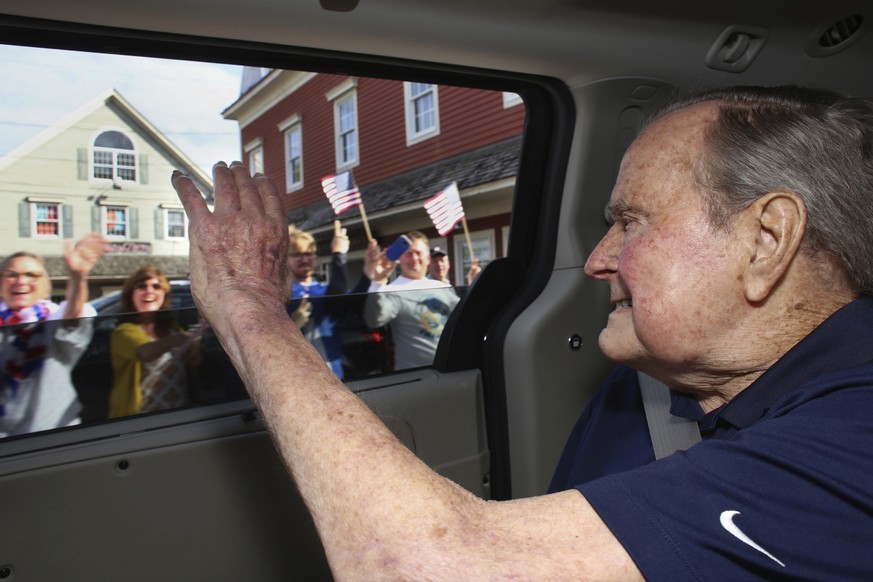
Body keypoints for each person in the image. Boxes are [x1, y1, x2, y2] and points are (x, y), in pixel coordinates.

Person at [172, 84, 873, 579]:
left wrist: (245, 305)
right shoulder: (639, 395)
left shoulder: (855, 437)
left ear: (765, 242)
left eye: (630, 222)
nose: (597, 260)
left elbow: (432, 567)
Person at [0, 233, 106, 437]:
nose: (21, 281)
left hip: (54, 438)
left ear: (45, 286)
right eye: (11, 274)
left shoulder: (52, 321)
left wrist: (77, 276)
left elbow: (72, 319)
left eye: (32, 275)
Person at [108, 266, 201, 417]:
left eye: (156, 286)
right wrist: (176, 340)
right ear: (130, 295)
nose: (149, 291)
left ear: (164, 294)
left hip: (180, 416)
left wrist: (193, 359)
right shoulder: (124, 332)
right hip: (140, 422)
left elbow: (189, 371)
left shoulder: (172, 328)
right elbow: (143, 352)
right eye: (141, 286)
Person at [362, 231, 460, 370]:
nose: (414, 258)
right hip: (416, 376)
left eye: (418, 253)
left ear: (427, 258)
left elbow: (465, 315)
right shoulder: (392, 290)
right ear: (399, 258)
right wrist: (377, 282)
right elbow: (374, 319)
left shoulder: (441, 287)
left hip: (452, 368)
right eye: (408, 254)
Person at [287, 220, 364, 380]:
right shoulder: (282, 294)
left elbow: (349, 299)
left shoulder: (323, 290)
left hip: (333, 374)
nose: (304, 259)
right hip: (297, 377)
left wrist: (371, 276)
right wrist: (293, 325)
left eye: (308, 254)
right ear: (285, 259)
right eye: (297, 255)